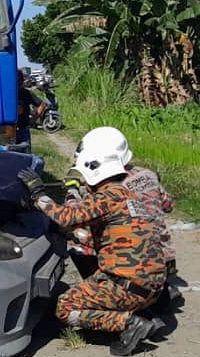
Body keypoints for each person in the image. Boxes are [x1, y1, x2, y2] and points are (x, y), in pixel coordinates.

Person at [18, 146, 166, 357]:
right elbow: (110, 242)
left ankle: (128, 323)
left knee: (65, 306)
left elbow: (65, 216)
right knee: (93, 270)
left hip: (128, 287)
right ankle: (147, 314)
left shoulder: (107, 196)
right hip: (152, 288)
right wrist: (71, 235)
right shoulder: (129, 196)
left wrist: (38, 194)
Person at [67, 127, 178, 303]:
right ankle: (161, 289)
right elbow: (168, 206)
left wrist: (71, 190)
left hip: (137, 266)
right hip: (165, 257)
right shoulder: (147, 174)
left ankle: (107, 295)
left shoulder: (107, 189)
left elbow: (76, 216)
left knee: (76, 241)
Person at [16, 69, 45, 145]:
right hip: (6, 131)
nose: (17, 82)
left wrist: (33, 119)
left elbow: (42, 104)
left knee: (25, 154)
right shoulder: (4, 94)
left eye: (19, 80)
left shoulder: (26, 93)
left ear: (22, 81)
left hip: (23, 130)